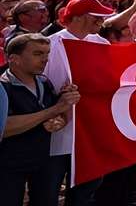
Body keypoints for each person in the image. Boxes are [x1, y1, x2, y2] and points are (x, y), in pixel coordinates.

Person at [42, 0, 113, 206]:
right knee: (48, 190)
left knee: (88, 187)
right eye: (96, 16)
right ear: (79, 18)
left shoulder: (101, 43)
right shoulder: (50, 45)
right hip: (57, 132)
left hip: (90, 131)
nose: (101, 20)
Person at [0, 33, 78, 206]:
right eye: (37, 54)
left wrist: (60, 118)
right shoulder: (3, 87)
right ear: (14, 59)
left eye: (47, 53)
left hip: (43, 162)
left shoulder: (44, 83)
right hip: (8, 166)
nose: (45, 59)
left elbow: (57, 115)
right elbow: (5, 127)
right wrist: (54, 110)